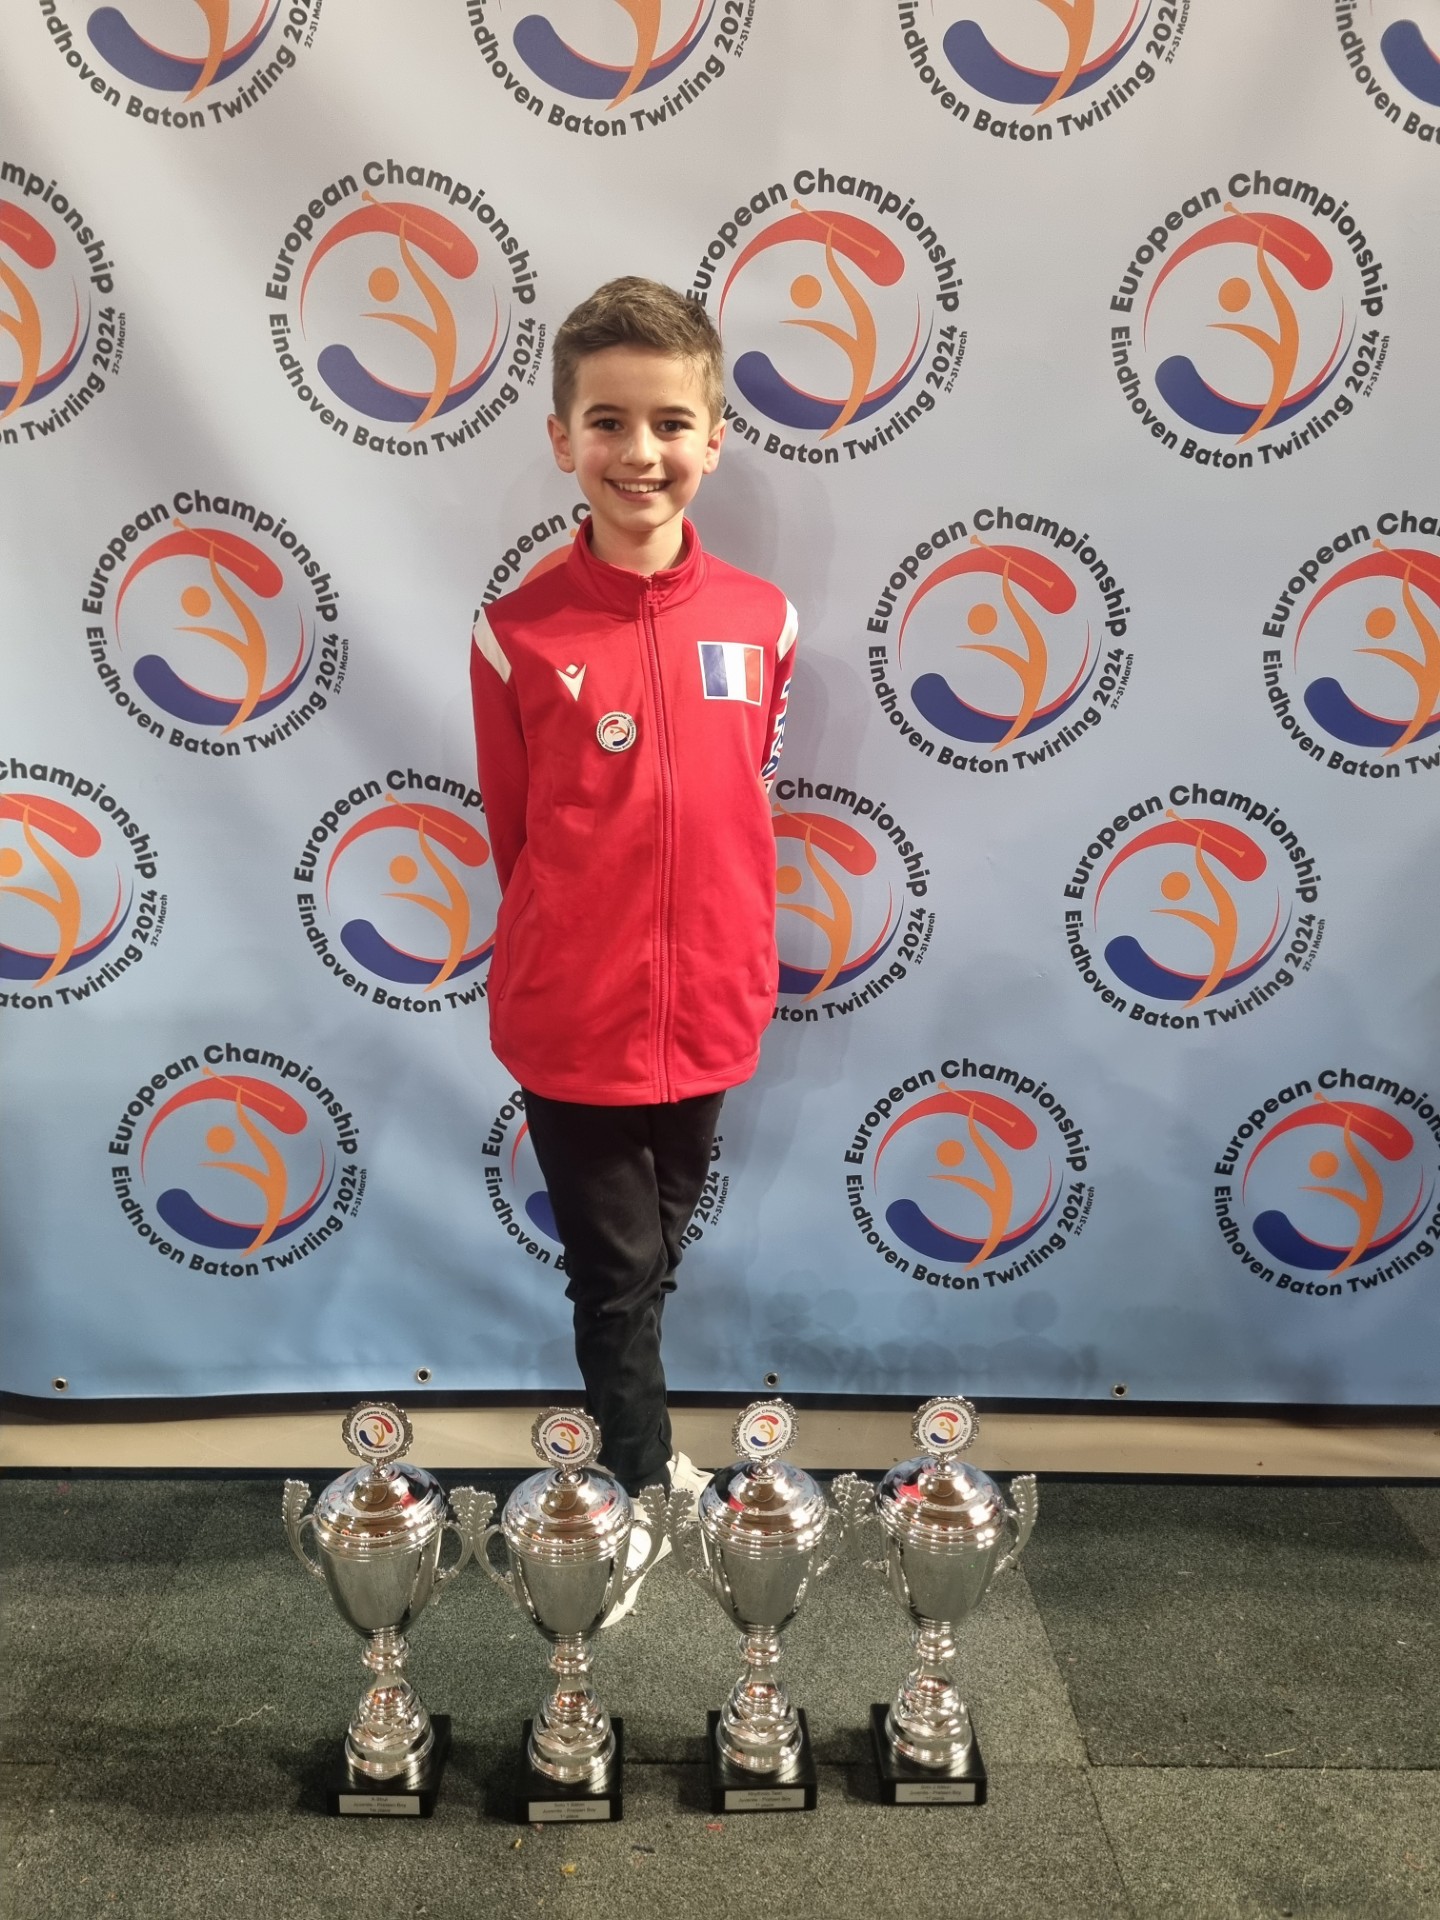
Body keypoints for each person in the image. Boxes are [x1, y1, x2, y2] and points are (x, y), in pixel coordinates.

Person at [470, 278, 797, 1608]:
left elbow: (742, 800)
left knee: (649, 1256)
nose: (640, 451)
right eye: (608, 421)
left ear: (714, 436)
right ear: (563, 439)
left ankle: (631, 1451)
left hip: (710, 1004)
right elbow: (517, 834)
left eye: (670, 422)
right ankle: (641, 1478)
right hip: (574, 1012)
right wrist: (581, 947)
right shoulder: (517, 631)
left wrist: (723, 951)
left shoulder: (764, 621)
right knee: (615, 1272)